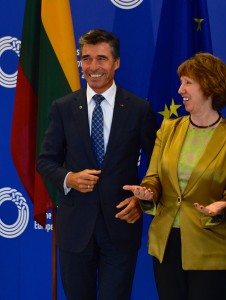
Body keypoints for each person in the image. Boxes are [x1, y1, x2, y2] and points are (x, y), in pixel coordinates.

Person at [37, 29, 158, 299]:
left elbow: (158, 164)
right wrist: (69, 179)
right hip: (75, 229)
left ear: (116, 63)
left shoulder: (139, 109)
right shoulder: (63, 107)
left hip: (121, 225)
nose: (93, 67)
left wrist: (142, 200)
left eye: (101, 59)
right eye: (86, 59)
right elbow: (46, 161)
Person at [124, 52, 226, 300]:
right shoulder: (168, 129)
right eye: (181, 82)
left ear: (209, 86)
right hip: (167, 243)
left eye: (188, 83)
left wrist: (222, 206)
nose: (180, 89)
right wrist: (147, 193)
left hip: (208, 247)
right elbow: (154, 177)